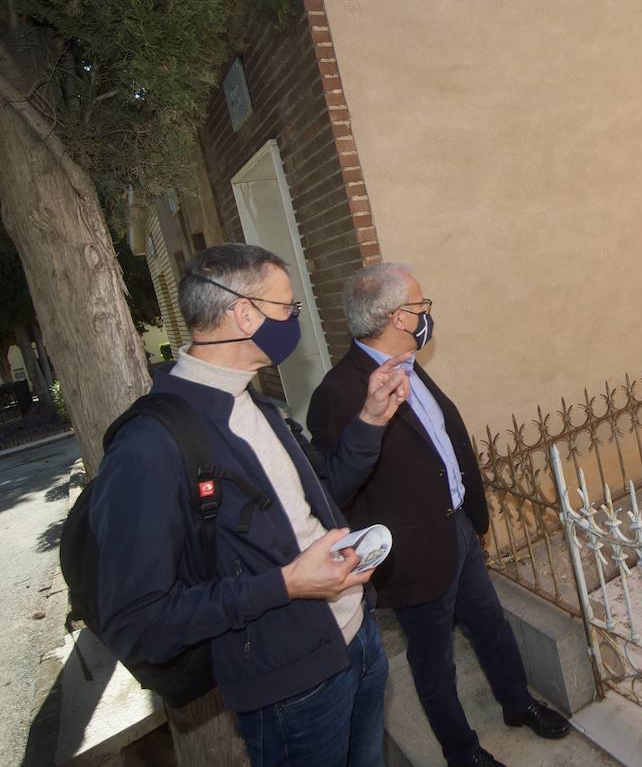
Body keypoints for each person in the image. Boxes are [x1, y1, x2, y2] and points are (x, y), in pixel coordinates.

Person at [91, 243, 412, 766]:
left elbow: (324, 494)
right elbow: (138, 622)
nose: (294, 320)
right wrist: (286, 584)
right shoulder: (151, 445)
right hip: (292, 690)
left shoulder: (256, 401)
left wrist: (373, 417)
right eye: (288, 307)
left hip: (358, 640)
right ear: (246, 313)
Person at [308, 263, 570, 767]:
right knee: (434, 662)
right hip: (413, 555)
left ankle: (517, 705)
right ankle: (462, 752)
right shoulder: (339, 393)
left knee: (490, 625)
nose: (428, 314)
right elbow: (337, 489)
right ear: (397, 317)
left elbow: (443, 446)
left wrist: (472, 518)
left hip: (459, 531)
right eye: (421, 306)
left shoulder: (408, 363)